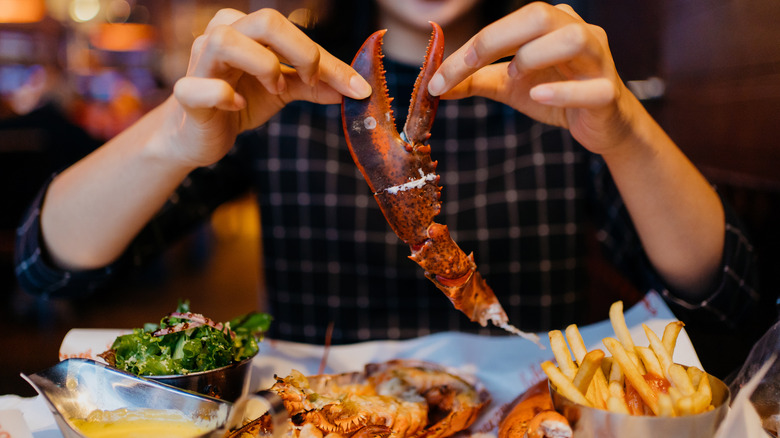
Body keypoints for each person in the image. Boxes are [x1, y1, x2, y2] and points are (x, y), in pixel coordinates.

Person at [14, 0, 759, 345]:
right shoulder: (280, 84)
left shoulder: (562, 78)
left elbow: (726, 299)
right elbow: (47, 268)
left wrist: (624, 131)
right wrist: (169, 141)